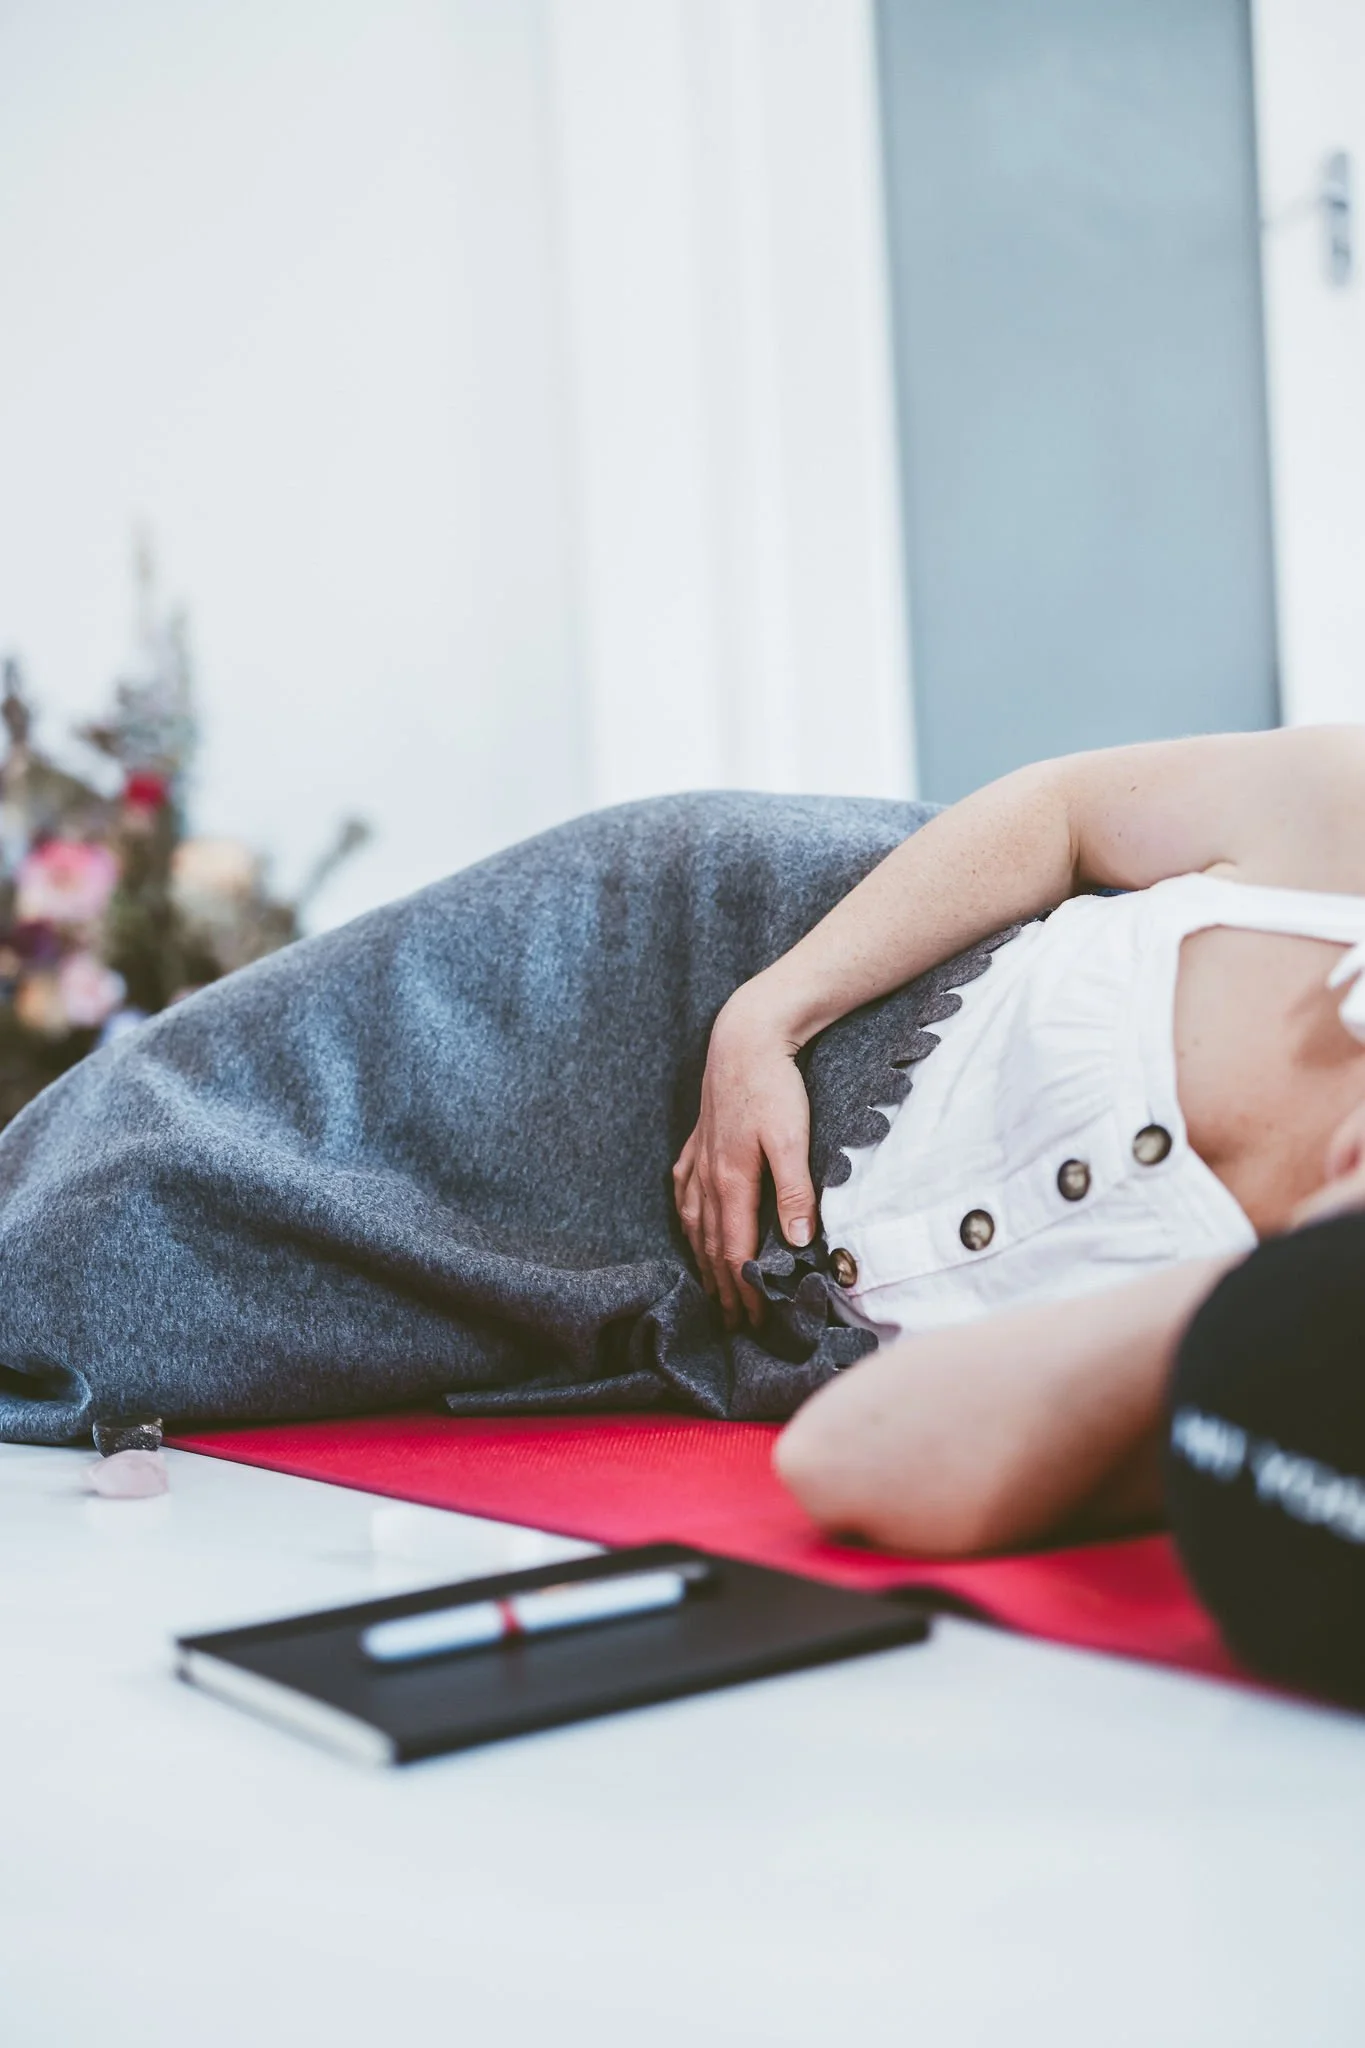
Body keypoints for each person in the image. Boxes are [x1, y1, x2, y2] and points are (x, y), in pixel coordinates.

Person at [3, 725, 1365, 1591]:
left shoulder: (1323, 1335)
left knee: (117, 1322)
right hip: (700, 987)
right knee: (114, 1195)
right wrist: (767, 1015)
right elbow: (1065, 810)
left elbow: (901, 1474)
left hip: (702, 1335)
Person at [672, 726, 1365, 1555]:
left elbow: (872, 1458)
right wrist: (764, 1017)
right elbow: (1061, 813)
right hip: (721, 975)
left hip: (698, 1361)